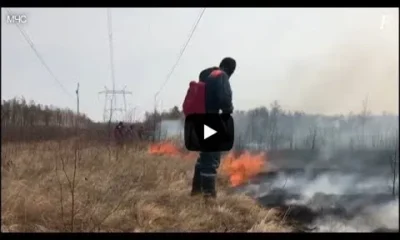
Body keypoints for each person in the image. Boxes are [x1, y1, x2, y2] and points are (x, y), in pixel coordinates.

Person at [190, 57, 236, 199]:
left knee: (204, 156)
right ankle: (209, 198)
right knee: (211, 158)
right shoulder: (221, 76)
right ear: (230, 69)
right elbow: (224, 100)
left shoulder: (205, 76)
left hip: (198, 120)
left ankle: (196, 192)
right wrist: (228, 110)